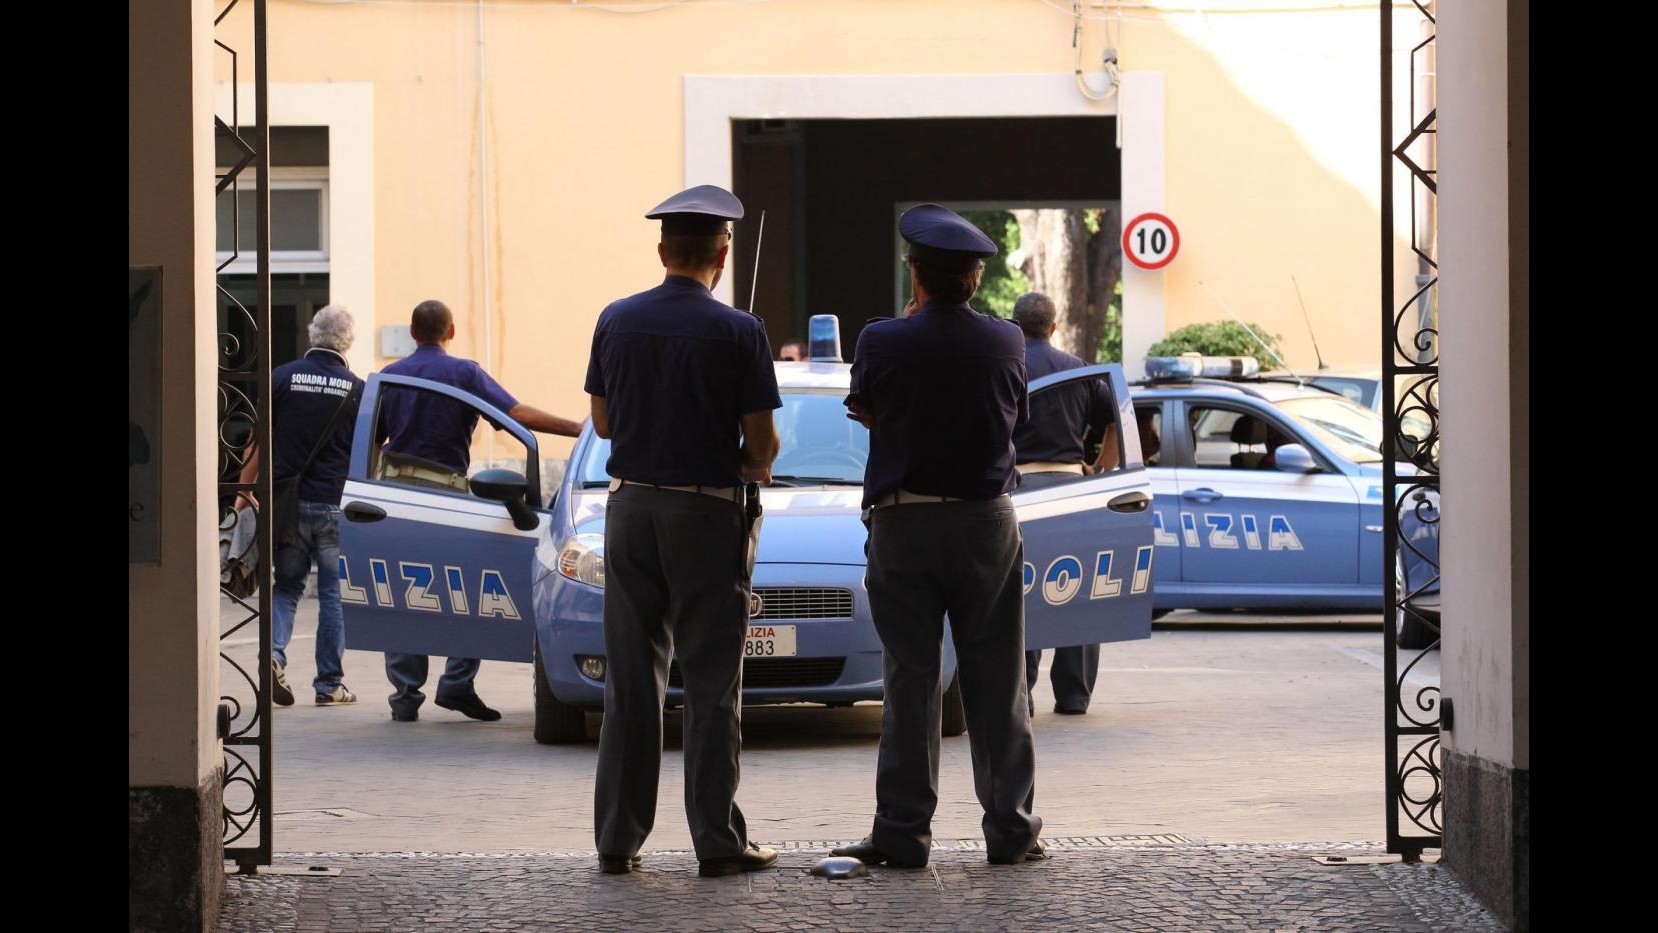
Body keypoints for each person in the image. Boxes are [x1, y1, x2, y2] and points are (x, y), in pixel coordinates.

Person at [832, 204, 1044, 869]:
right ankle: (1010, 831)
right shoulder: (1008, 340)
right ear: (976, 279)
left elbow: (867, 410)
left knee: (910, 682)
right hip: (986, 522)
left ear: (914, 273)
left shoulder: (880, 340)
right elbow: (1014, 420)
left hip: (905, 520)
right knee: (999, 680)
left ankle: (901, 832)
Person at [585, 184, 783, 878]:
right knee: (711, 682)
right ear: (721, 257)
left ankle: (618, 838)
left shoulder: (615, 319)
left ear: (663, 250)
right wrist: (747, 460)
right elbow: (762, 444)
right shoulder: (740, 331)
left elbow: (604, 422)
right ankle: (717, 841)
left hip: (631, 508)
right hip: (707, 514)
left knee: (632, 682)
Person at [376, 299, 583, 723]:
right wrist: (580, 428)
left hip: (395, 495)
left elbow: (372, 440)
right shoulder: (463, 373)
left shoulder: (389, 377)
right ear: (450, 332)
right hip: (448, 496)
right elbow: (516, 415)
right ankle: (456, 682)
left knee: (402, 590)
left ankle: (405, 695)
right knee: (466, 588)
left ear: (413, 334)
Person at [235, 305, 364, 708]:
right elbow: (371, 451)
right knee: (332, 595)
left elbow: (258, 437)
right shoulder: (357, 389)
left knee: (287, 587)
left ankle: (273, 655)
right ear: (348, 341)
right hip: (334, 507)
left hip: (288, 506)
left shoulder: (282, 378)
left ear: (313, 335)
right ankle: (329, 685)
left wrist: (243, 488)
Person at [1009, 291, 1114, 716]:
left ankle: (1024, 692)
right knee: (1078, 587)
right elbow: (1116, 422)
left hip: (1018, 489)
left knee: (1022, 589)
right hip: (1073, 489)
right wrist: (1098, 468)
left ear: (1014, 327)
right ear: (1054, 327)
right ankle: (1074, 695)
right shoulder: (1080, 370)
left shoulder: (1006, 367)